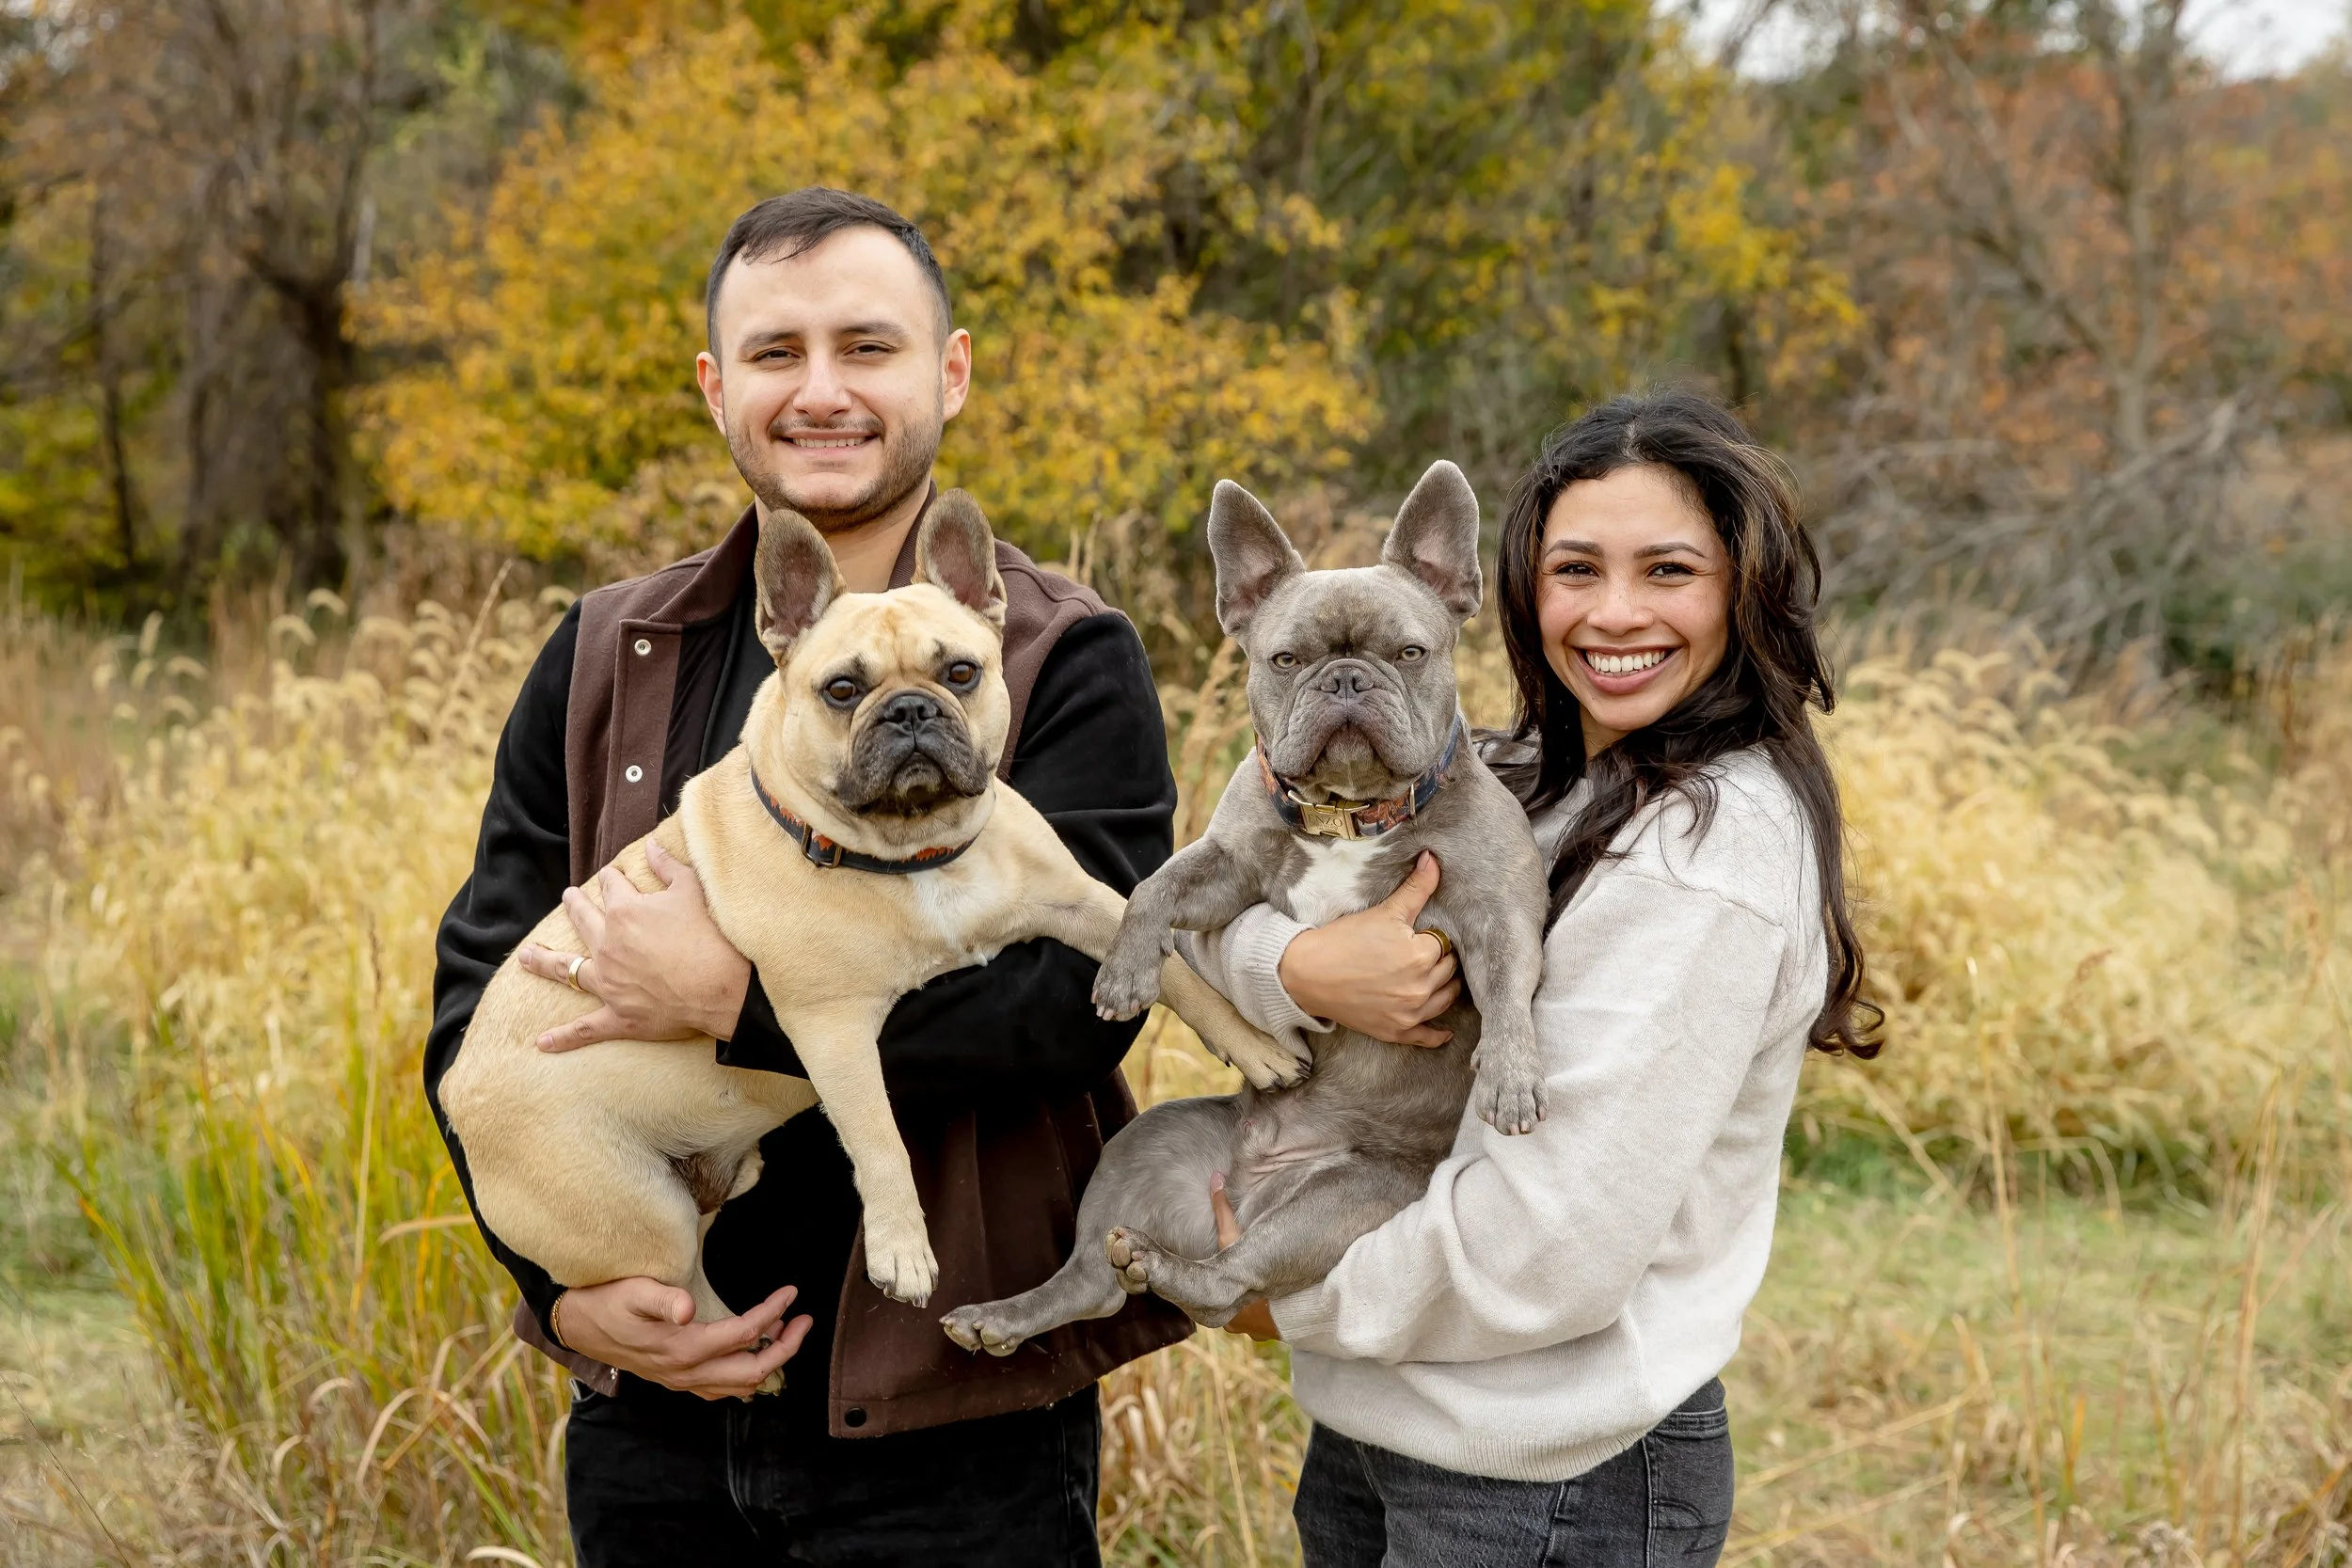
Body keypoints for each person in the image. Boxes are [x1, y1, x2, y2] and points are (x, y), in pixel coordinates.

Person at [422, 187, 1192, 1567]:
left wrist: (738, 1001)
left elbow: (1083, 1001)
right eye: (776, 353)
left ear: (949, 370)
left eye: (868, 347)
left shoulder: (1067, 654)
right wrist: (557, 1289)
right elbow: (481, 986)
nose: (821, 391)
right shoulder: (611, 646)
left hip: (953, 1424)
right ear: (717, 388)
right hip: (659, 1416)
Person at [1185, 389, 1879, 1566]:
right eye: (1574, 569)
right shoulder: (1512, 774)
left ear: (1742, 587)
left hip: (1544, 1472)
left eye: (1668, 570)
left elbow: (1544, 1245)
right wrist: (1300, 965)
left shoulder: (1703, 855)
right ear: (1513, 585)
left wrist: (1279, 1299)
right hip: (1391, 1421)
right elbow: (1198, 901)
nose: (1614, 612)